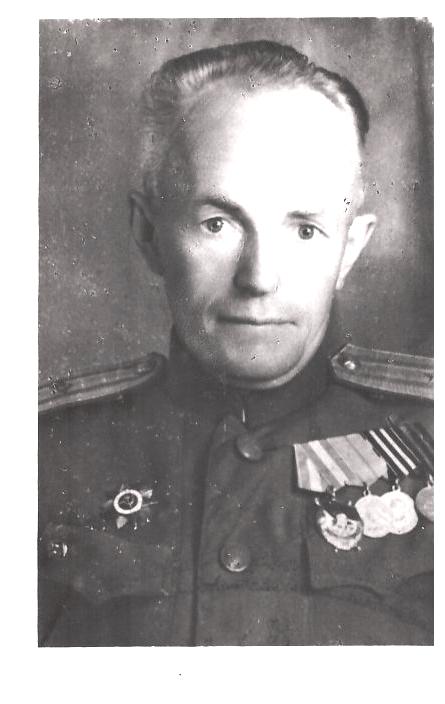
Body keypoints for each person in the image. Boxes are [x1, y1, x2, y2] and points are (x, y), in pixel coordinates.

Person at [38, 40, 433, 646]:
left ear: (351, 248)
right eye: (218, 224)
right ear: (148, 233)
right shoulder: (42, 454)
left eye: (305, 230)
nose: (259, 278)